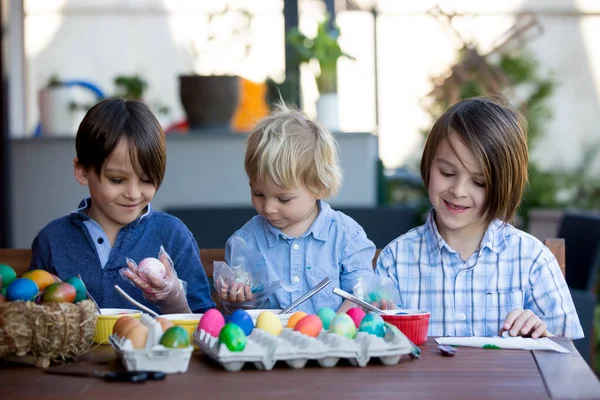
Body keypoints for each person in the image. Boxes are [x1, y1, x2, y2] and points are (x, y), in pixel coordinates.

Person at [376, 97, 583, 339]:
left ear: (504, 186)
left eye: (479, 182)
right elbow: (378, 348)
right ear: (428, 165)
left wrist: (541, 331)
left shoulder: (532, 260)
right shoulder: (395, 261)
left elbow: (565, 355)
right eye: (447, 172)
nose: (459, 190)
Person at [30, 98, 215, 314]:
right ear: (82, 171)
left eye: (146, 180)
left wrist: (173, 300)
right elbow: (34, 319)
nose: (133, 194)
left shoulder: (173, 235)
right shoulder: (53, 240)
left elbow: (204, 321)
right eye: (117, 180)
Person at [220, 103, 376, 314]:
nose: (268, 207)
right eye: (258, 194)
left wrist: (336, 328)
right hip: (269, 343)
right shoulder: (246, 242)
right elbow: (239, 311)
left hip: (331, 343)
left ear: (319, 187)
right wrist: (238, 297)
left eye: (283, 199)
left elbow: (360, 295)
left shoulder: (346, 236)